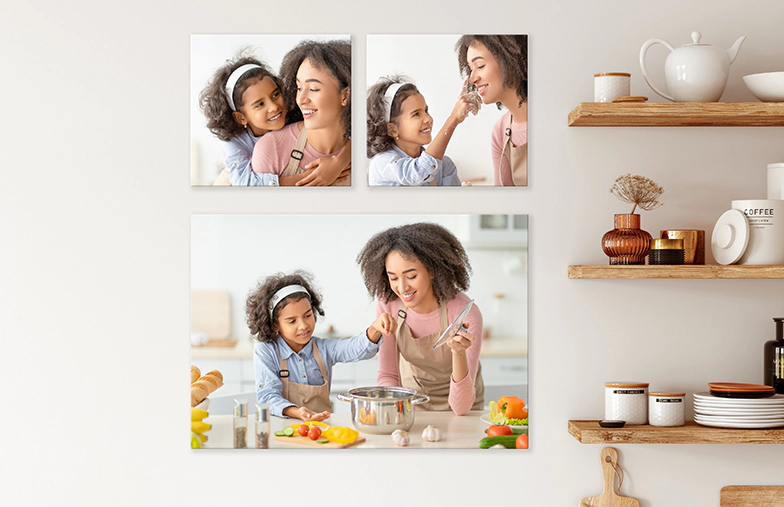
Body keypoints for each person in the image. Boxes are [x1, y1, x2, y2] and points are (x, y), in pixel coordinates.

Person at [356, 223, 484, 415]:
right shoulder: (388, 304)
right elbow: (388, 374)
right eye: (393, 278)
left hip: (464, 408)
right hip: (411, 402)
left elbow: (461, 407)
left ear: (432, 270)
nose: (402, 288)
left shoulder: (464, 314)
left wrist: (458, 353)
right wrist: (393, 409)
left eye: (411, 276)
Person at [247, 271, 395, 421]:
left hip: (321, 428)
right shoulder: (266, 351)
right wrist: (297, 412)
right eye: (292, 321)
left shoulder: (323, 348)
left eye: (307, 315)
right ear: (275, 325)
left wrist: (375, 328)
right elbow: (268, 397)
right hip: (282, 429)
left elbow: (353, 348)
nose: (303, 325)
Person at [198, 49, 349, 186]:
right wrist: (310, 177)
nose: (274, 107)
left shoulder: (294, 114)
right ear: (241, 118)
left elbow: (353, 135)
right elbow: (245, 183)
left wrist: (338, 163)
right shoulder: (235, 141)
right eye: (260, 104)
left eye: (275, 95)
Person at [251, 39, 352, 186]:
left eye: (313, 89)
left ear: (345, 95)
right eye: (299, 88)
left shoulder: (364, 152)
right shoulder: (271, 148)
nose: (300, 99)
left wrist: (340, 161)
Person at [366, 75, 479, 186]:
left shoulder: (445, 166)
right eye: (416, 114)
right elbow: (417, 173)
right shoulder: (382, 163)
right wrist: (453, 118)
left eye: (426, 110)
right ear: (392, 129)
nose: (428, 119)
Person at [456, 35, 528, 186]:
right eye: (471, 69)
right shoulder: (501, 131)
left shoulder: (550, 116)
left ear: (510, 60)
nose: (472, 79)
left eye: (480, 66)